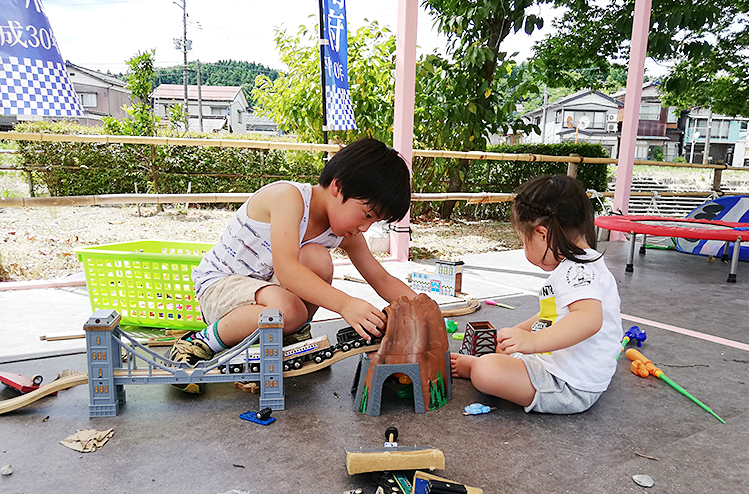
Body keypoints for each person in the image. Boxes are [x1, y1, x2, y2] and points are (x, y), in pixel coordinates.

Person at [169, 137, 417, 392]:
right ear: (338, 187)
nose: (365, 227)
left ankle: (290, 337)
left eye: (375, 221)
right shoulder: (289, 197)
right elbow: (287, 270)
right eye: (366, 214)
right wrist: (346, 304)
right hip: (219, 289)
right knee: (289, 308)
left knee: (317, 258)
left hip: (263, 293)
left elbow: (381, 278)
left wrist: (422, 310)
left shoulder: (345, 233)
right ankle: (198, 343)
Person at [451, 175, 622, 414]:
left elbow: (589, 319)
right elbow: (551, 313)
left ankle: (476, 367)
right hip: (570, 371)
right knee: (506, 347)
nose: (524, 248)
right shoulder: (582, 264)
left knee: (486, 371)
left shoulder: (577, 271)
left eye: (524, 241)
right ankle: (496, 364)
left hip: (569, 386)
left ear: (543, 234)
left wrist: (532, 342)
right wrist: (523, 330)